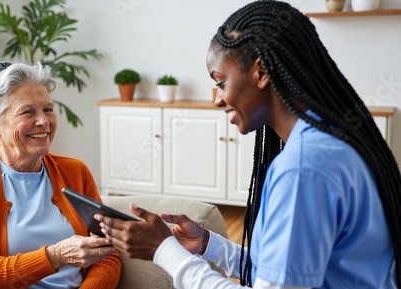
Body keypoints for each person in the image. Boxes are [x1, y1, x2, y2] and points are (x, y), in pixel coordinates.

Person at [95, 1, 401, 288]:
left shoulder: (302, 168)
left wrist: (164, 250)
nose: (216, 100)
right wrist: (208, 245)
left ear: (262, 71)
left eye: (220, 82)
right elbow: (282, 272)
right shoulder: (329, 142)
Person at [0, 61, 122, 289]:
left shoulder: (75, 171)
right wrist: (55, 256)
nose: (44, 121)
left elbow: (107, 253)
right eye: (27, 111)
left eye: (48, 109)